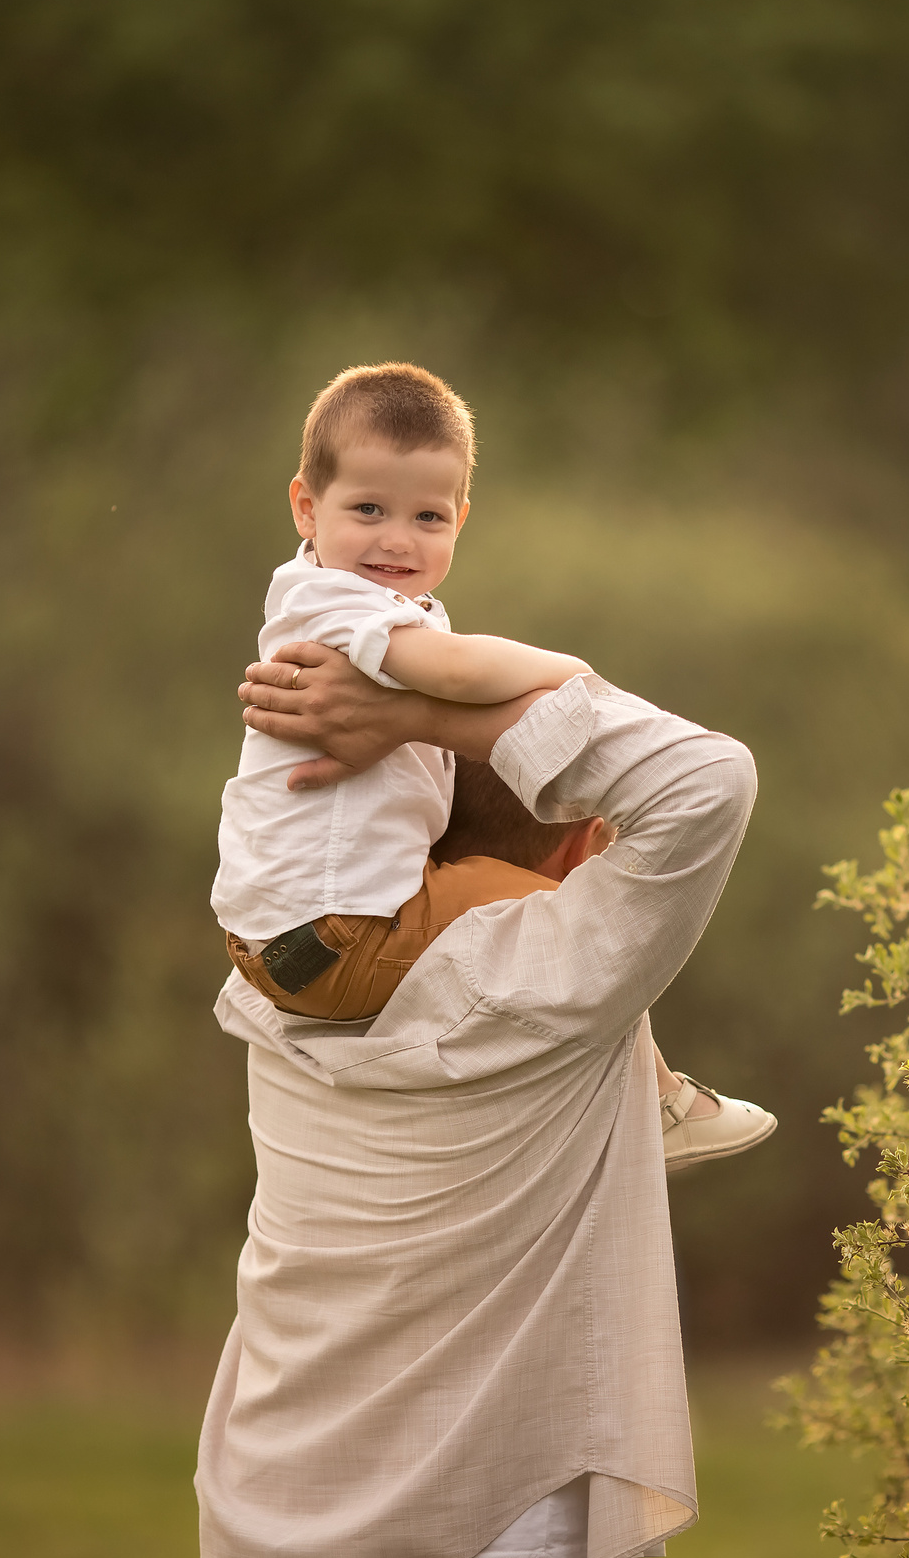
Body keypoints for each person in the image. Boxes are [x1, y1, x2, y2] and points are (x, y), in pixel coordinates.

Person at [197, 634, 757, 1558]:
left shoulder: (273, 986)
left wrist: (396, 736)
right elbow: (707, 777)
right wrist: (429, 715)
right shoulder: (556, 982)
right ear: (586, 841)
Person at [213, 360, 771, 1169]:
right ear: (307, 503)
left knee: (551, 896)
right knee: (573, 924)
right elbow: (461, 674)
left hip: (284, 935)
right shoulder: (339, 603)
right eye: (367, 508)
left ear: (460, 520)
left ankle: (649, 1094)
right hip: (342, 939)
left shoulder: (355, 600)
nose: (397, 539)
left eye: (427, 517)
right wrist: (570, 670)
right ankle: (661, 1102)